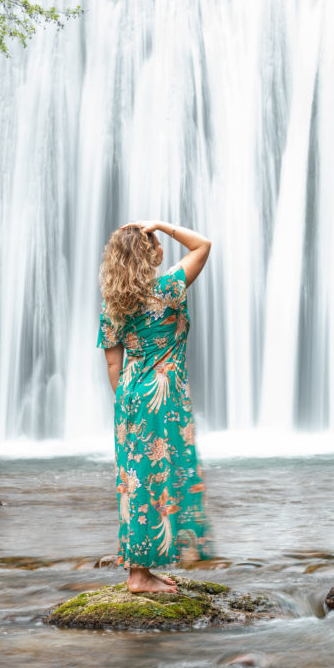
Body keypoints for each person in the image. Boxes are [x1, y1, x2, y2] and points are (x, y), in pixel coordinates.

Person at [97, 220, 214, 594]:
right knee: (158, 477)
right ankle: (138, 577)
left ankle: (142, 569)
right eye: (157, 243)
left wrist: (127, 404)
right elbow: (203, 246)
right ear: (151, 254)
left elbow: (113, 364)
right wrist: (164, 224)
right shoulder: (168, 288)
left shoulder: (112, 304)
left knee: (135, 480)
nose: (163, 247)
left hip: (130, 393)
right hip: (162, 392)